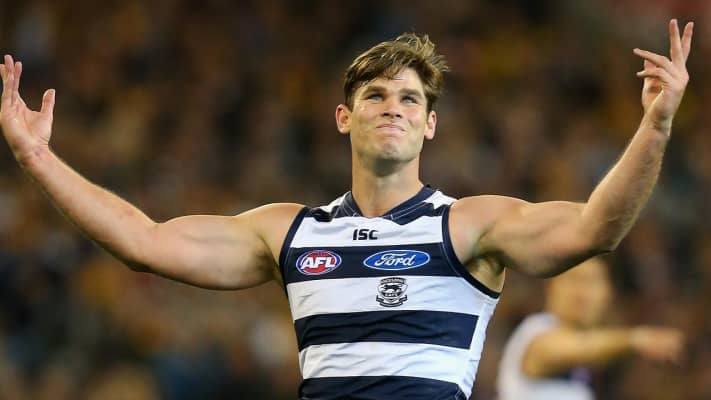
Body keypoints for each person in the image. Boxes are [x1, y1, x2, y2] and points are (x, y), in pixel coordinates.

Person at [0, 19, 693, 400]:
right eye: (375, 96)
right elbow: (144, 242)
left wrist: (655, 126)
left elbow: (595, 228)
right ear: (342, 117)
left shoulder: (469, 225)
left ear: (429, 126)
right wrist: (37, 157)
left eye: (410, 99)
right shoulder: (290, 231)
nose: (393, 108)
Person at [496, 257, 684, 400]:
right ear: (551, 286)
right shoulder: (537, 332)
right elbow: (575, 347)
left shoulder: (586, 366)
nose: (581, 292)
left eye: (592, 281)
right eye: (574, 279)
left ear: (607, 294)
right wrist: (635, 339)